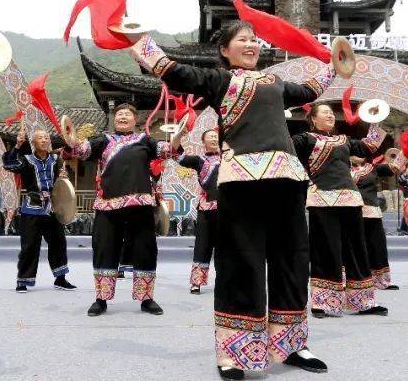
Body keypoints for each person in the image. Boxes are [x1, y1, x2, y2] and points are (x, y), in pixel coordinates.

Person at [131, 20, 333, 379]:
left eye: (254, 39)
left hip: (287, 180)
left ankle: (291, 344)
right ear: (225, 50)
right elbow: (173, 72)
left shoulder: (274, 82)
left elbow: (310, 89)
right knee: (242, 262)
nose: (252, 44)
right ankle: (235, 352)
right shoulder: (219, 80)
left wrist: (336, 62)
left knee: (293, 260)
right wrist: (137, 39)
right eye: (243, 39)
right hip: (241, 181)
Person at [66, 103, 184, 317]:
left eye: (127, 114)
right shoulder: (103, 140)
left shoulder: (144, 141)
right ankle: (101, 299)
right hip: (108, 206)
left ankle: (146, 299)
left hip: (140, 205)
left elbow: (168, 150)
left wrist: (180, 132)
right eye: (119, 114)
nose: (122, 117)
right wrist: (71, 137)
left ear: (134, 120)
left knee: (145, 251)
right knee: (104, 250)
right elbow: (81, 150)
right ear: (115, 119)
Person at [293, 103, 386, 318]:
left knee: (357, 249)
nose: (330, 115)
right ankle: (322, 302)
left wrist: (374, 120)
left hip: (351, 199)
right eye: (324, 112)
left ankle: (363, 302)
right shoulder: (305, 139)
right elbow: (285, 150)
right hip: (322, 199)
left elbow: (368, 146)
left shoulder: (343, 140)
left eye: (330, 112)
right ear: (313, 119)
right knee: (326, 249)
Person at [2, 126, 77, 292]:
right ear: (33, 142)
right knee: (29, 245)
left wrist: (64, 177)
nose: (44, 140)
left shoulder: (56, 159)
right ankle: (23, 280)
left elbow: (63, 177)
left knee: (58, 242)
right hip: (32, 208)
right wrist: (17, 145)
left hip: (53, 208)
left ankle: (60, 279)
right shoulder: (26, 160)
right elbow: (8, 164)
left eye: (46, 137)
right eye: (40, 138)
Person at [176, 129, 221, 295]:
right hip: (205, 209)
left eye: (217, 136)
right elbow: (178, 156)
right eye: (211, 136)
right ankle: (196, 282)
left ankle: (224, 281)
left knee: (225, 247)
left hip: (227, 210)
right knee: (202, 245)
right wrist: (179, 135)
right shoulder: (198, 160)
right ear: (204, 142)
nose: (214, 138)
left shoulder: (229, 158)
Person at [354, 148, 405, 290]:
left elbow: (393, 167)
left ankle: (381, 280)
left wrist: (406, 150)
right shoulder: (340, 167)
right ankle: (358, 279)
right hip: (351, 212)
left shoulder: (372, 168)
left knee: (378, 246)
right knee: (356, 248)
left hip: (372, 212)